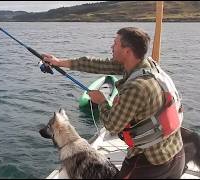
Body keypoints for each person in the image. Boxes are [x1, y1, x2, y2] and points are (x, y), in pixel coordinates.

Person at [43, 27, 185, 179]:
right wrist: (59, 62)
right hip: (176, 153)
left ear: (127, 51)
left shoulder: (136, 87)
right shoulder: (146, 64)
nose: (111, 46)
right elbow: (97, 64)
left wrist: (102, 101)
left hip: (152, 163)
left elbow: (112, 125)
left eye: (115, 43)